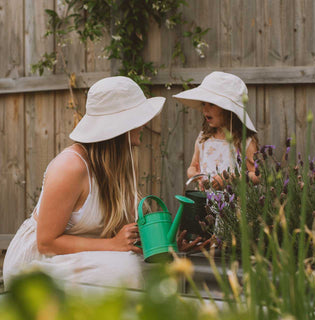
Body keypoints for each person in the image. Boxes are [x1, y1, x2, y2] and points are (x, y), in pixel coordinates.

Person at [3, 76, 165, 290]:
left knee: (153, 267)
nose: (145, 124)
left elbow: (120, 231)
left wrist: (164, 243)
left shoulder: (115, 164)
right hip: (37, 263)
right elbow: (46, 243)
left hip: (79, 255)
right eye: (139, 118)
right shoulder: (70, 167)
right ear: (122, 125)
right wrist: (112, 245)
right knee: (126, 269)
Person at [173, 71, 259, 188]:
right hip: (206, 203)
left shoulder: (244, 141)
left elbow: (257, 176)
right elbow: (193, 166)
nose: (205, 110)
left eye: (212, 104)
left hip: (234, 204)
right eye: (203, 104)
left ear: (228, 110)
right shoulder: (203, 138)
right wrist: (195, 174)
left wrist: (230, 179)